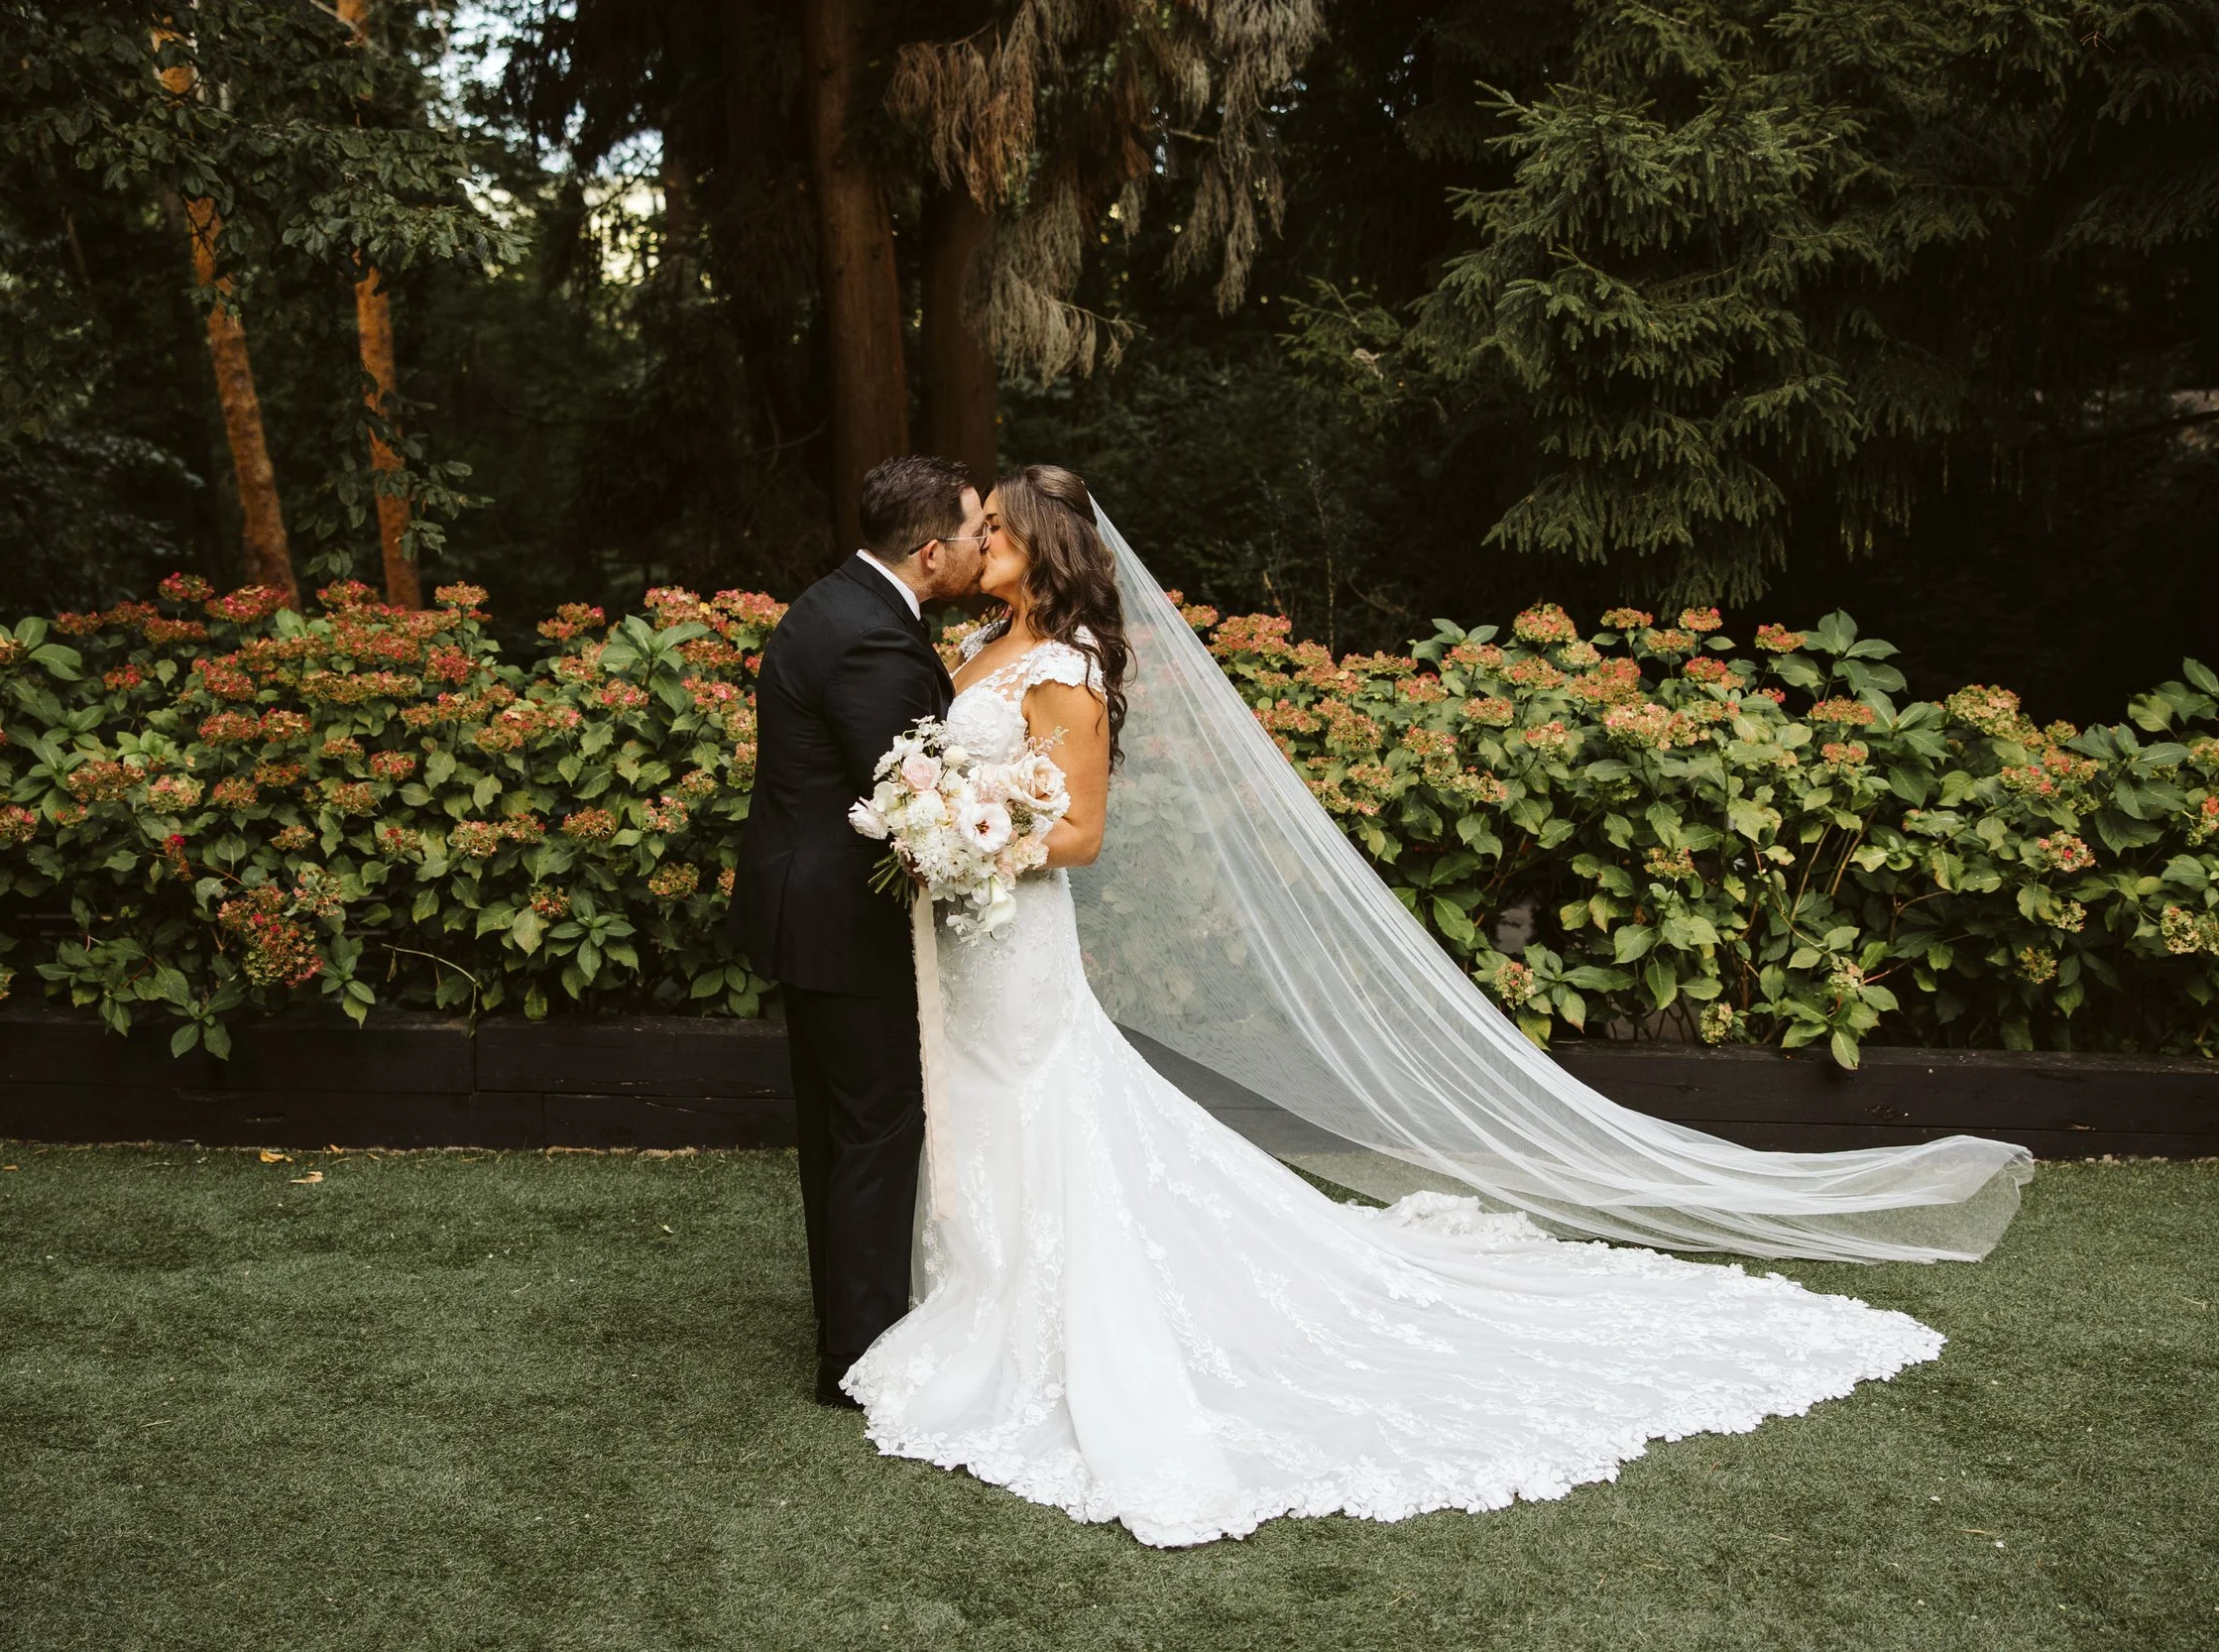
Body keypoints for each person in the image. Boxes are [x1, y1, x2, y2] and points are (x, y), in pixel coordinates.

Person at [837, 464, 2034, 1547]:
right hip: (968, 938)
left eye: (997, 530)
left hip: (1013, 928)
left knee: (1041, 1101)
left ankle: (1043, 1314)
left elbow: (1082, 835)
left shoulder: (1068, 671)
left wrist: (961, 840)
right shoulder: (984, 641)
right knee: (982, 1100)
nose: (977, 541)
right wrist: (935, 815)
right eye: (980, 529)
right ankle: (980, 1285)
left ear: (1042, 547)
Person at [731, 455, 989, 1409]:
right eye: (974, 533)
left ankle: (848, 1336)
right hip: (844, 923)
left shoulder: (838, 601)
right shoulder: (873, 641)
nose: (984, 545)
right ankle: (863, 1359)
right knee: (878, 1128)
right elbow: (910, 798)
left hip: (807, 912)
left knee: (841, 1130)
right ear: (931, 553)